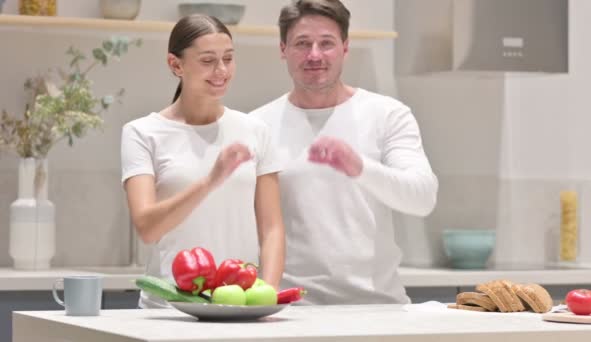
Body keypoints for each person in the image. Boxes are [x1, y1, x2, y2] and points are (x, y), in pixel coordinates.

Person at [250, 0, 438, 305]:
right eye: (302, 43)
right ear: (283, 49)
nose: (314, 55)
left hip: (378, 307)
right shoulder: (258, 126)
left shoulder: (387, 114)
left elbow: (422, 198)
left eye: (326, 43)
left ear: (345, 48)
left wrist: (359, 167)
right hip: (291, 311)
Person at [121, 14, 285, 308]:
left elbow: (271, 227)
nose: (221, 70)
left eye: (228, 58)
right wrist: (211, 181)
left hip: (241, 305)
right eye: (208, 60)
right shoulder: (142, 133)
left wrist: (267, 295)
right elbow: (147, 227)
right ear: (176, 65)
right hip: (168, 310)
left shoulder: (256, 131)